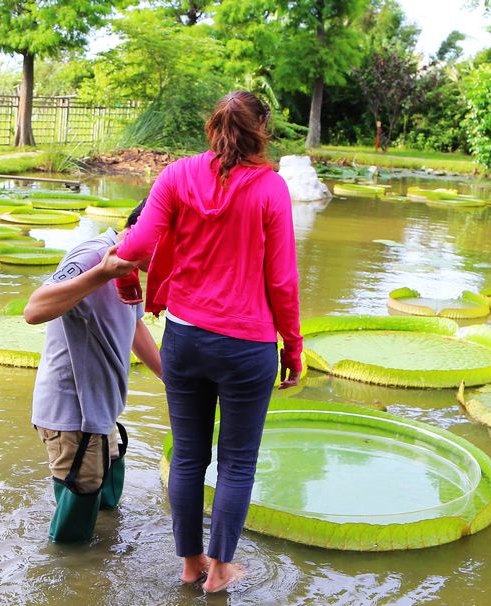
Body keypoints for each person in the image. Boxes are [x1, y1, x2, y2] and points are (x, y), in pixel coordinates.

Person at [115, 90, 302, 593]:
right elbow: (282, 281)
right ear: (261, 129)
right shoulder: (271, 189)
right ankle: (220, 573)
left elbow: (136, 246)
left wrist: (117, 270)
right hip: (248, 348)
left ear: (213, 125)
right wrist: (294, 347)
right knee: (238, 460)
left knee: (189, 457)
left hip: (186, 339)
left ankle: (189, 564)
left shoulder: (177, 175)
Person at [25, 201, 162, 542]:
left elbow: (134, 326)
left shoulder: (129, 269)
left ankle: (101, 554)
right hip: (72, 412)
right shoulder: (93, 254)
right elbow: (34, 309)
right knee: (79, 509)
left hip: (99, 411)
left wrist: (170, 378)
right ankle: (72, 579)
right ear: (146, 233)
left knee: (107, 493)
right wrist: (103, 272)